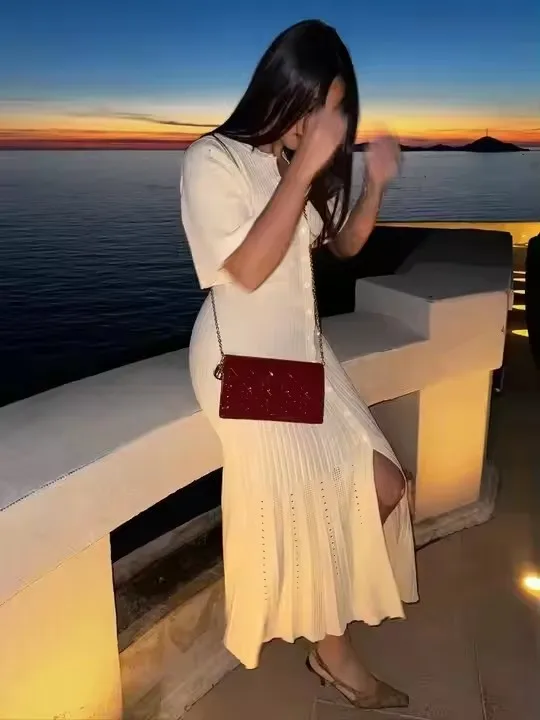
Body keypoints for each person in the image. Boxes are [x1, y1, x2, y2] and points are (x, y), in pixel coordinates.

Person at [180, 19, 418, 710]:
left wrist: (374, 185)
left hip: (305, 352)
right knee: (318, 508)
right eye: (313, 107)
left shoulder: (292, 164)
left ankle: (329, 639)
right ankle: (336, 655)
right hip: (244, 366)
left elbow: (341, 246)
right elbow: (247, 270)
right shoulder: (212, 160)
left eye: (334, 112)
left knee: (385, 484)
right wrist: (306, 168)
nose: (321, 126)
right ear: (279, 88)